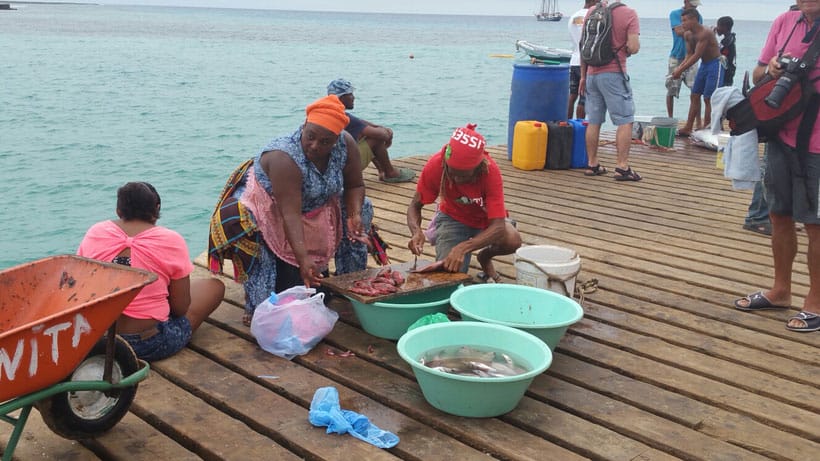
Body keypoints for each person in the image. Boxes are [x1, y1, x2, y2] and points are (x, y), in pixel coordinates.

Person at [208, 95, 367, 326]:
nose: (315, 146)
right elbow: (289, 214)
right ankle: (257, 304)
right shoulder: (284, 157)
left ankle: (350, 283)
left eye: (325, 142)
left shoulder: (346, 144)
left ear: (336, 140)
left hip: (316, 202)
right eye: (310, 137)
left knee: (366, 208)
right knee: (276, 299)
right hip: (269, 207)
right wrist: (304, 260)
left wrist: (354, 216)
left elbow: (355, 185)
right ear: (303, 126)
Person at [733, 0, 820, 333]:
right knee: (779, 216)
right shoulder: (785, 21)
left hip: (816, 144)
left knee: (816, 225)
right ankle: (780, 290)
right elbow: (756, 74)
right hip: (781, 134)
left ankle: (816, 300)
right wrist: (771, 71)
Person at [78, 182, 225, 362]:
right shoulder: (171, 240)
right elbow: (180, 309)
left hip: (99, 341)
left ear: (118, 210)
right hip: (148, 344)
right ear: (157, 209)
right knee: (214, 287)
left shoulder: (96, 232)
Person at [406, 123, 521, 282]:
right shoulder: (436, 165)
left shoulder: (491, 172)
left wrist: (463, 247)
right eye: (452, 174)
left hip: (486, 221)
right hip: (453, 218)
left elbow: (498, 226)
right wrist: (416, 231)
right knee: (449, 275)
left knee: (512, 239)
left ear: (479, 166)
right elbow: (414, 206)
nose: (457, 180)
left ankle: (484, 257)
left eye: (464, 176)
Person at [580, 0, 641, 181]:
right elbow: (634, 47)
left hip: (591, 73)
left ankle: (592, 164)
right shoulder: (629, 13)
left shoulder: (592, 11)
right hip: (614, 73)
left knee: (594, 121)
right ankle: (622, 167)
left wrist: (583, 75)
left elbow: (584, 45)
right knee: (625, 120)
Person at [327, 78, 415, 183]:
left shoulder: (328, 113)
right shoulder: (344, 117)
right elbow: (382, 136)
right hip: (342, 171)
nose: (353, 97)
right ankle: (390, 173)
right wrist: (388, 132)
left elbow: (360, 122)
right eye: (350, 94)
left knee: (365, 134)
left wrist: (378, 127)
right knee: (375, 138)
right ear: (341, 98)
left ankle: (382, 171)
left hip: (330, 169)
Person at [672, 8, 724, 137]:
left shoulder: (705, 33)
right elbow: (689, 54)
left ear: (694, 19)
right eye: (681, 20)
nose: (682, 23)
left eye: (685, 20)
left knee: (709, 98)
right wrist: (679, 69)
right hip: (704, 65)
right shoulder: (687, 35)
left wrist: (680, 70)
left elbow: (697, 55)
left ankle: (708, 129)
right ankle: (688, 127)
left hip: (715, 64)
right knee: (694, 95)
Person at [666, 0, 702, 119]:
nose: (694, 8)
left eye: (696, 6)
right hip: (676, 56)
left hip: (692, 57)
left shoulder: (698, 16)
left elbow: (697, 34)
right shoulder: (675, 14)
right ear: (686, 2)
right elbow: (679, 32)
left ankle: (697, 122)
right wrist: (691, 30)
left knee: (696, 90)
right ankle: (670, 119)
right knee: (671, 89)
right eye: (692, 5)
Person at [567, 0, 595, 119]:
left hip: (574, 60)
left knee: (572, 95)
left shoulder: (573, 16)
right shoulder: (592, 16)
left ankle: (566, 123)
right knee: (583, 98)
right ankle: (580, 125)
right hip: (586, 62)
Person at [715, 16, 737, 87]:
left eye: (718, 25)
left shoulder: (727, 42)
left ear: (724, 27)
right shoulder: (730, 39)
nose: (716, 28)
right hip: (729, 72)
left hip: (726, 75)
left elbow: (718, 55)